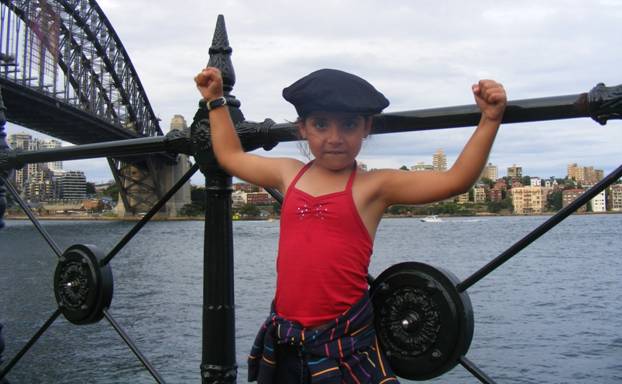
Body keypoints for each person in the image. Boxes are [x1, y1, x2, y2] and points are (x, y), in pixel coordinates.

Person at [195, 67, 506, 383]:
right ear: (302, 128)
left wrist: (490, 119)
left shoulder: (374, 186)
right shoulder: (289, 174)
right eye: (320, 124)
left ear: (366, 127)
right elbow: (230, 156)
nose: (334, 138)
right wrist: (216, 101)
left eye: (348, 124)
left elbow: (455, 180)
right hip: (286, 340)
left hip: (342, 347)